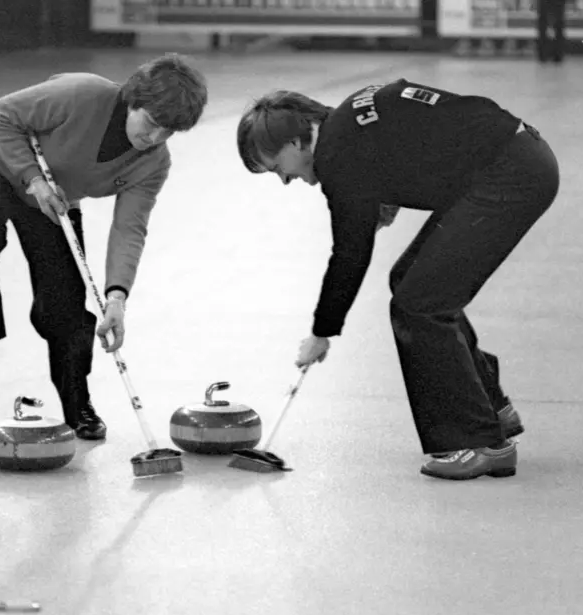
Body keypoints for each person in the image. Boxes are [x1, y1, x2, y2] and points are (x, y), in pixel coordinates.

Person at [236, 80, 559, 480]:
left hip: (511, 174)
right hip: (515, 157)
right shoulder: (345, 125)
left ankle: (478, 443)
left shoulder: (338, 155)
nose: (284, 180)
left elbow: (350, 255)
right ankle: (492, 409)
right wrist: (383, 191)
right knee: (410, 280)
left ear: (295, 144)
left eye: (275, 167)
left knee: (419, 303)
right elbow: (415, 134)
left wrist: (322, 332)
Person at [0, 54, 208, 440]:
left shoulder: (153, 163)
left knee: (66, 302)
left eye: (167, 132)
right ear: (133, 100)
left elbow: (130, 228)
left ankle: (78, 404)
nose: (154, 138)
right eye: (152, 123)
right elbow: (2, 114)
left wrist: (118, 297)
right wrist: (32, 178)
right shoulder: (80, 94)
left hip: (54, 200)